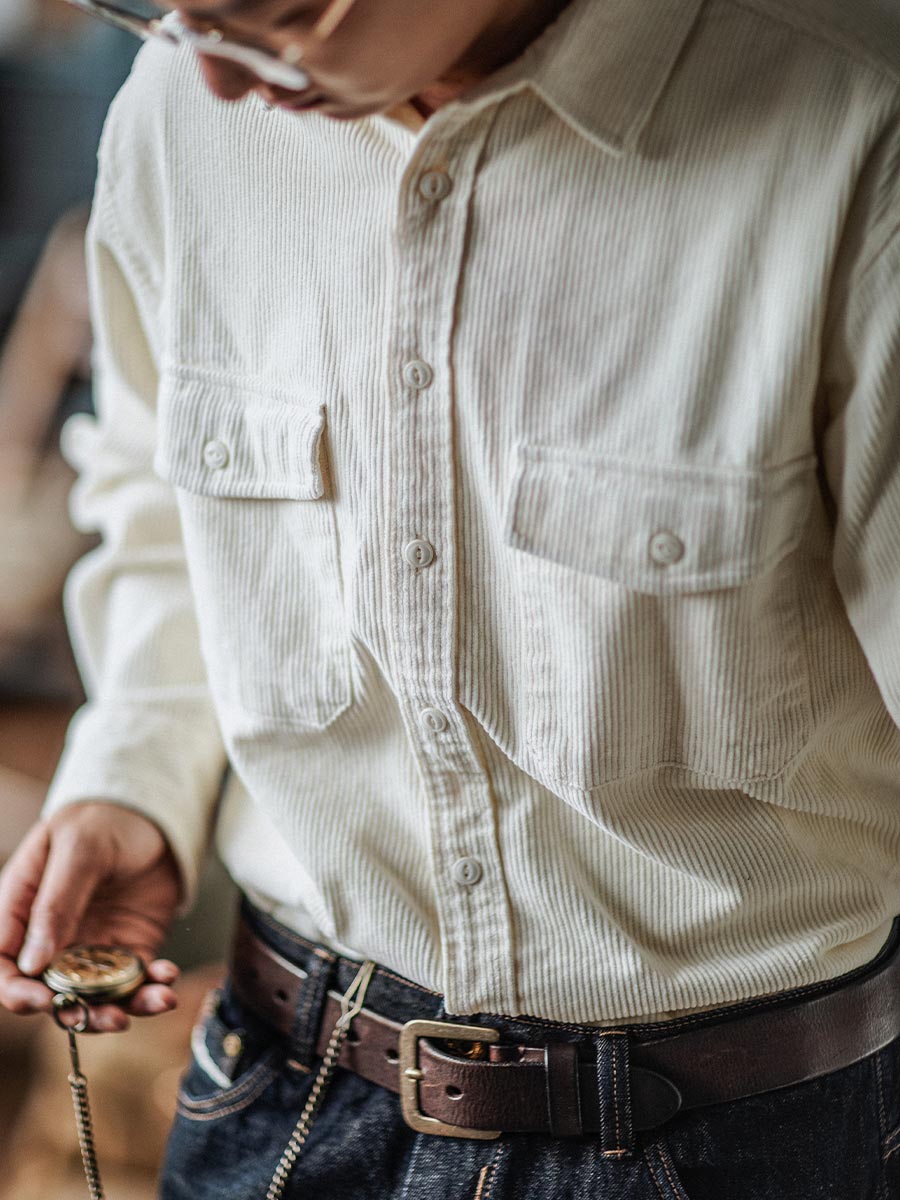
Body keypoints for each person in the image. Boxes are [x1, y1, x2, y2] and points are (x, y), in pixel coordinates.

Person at [1, 0, 900, 1195]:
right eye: (164, 5)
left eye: (272, 14)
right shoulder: (177, 108)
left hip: (748, 1135)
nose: (213, 79)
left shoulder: (854, 122)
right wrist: (136, 773)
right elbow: (161, 499)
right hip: (279, 1092)